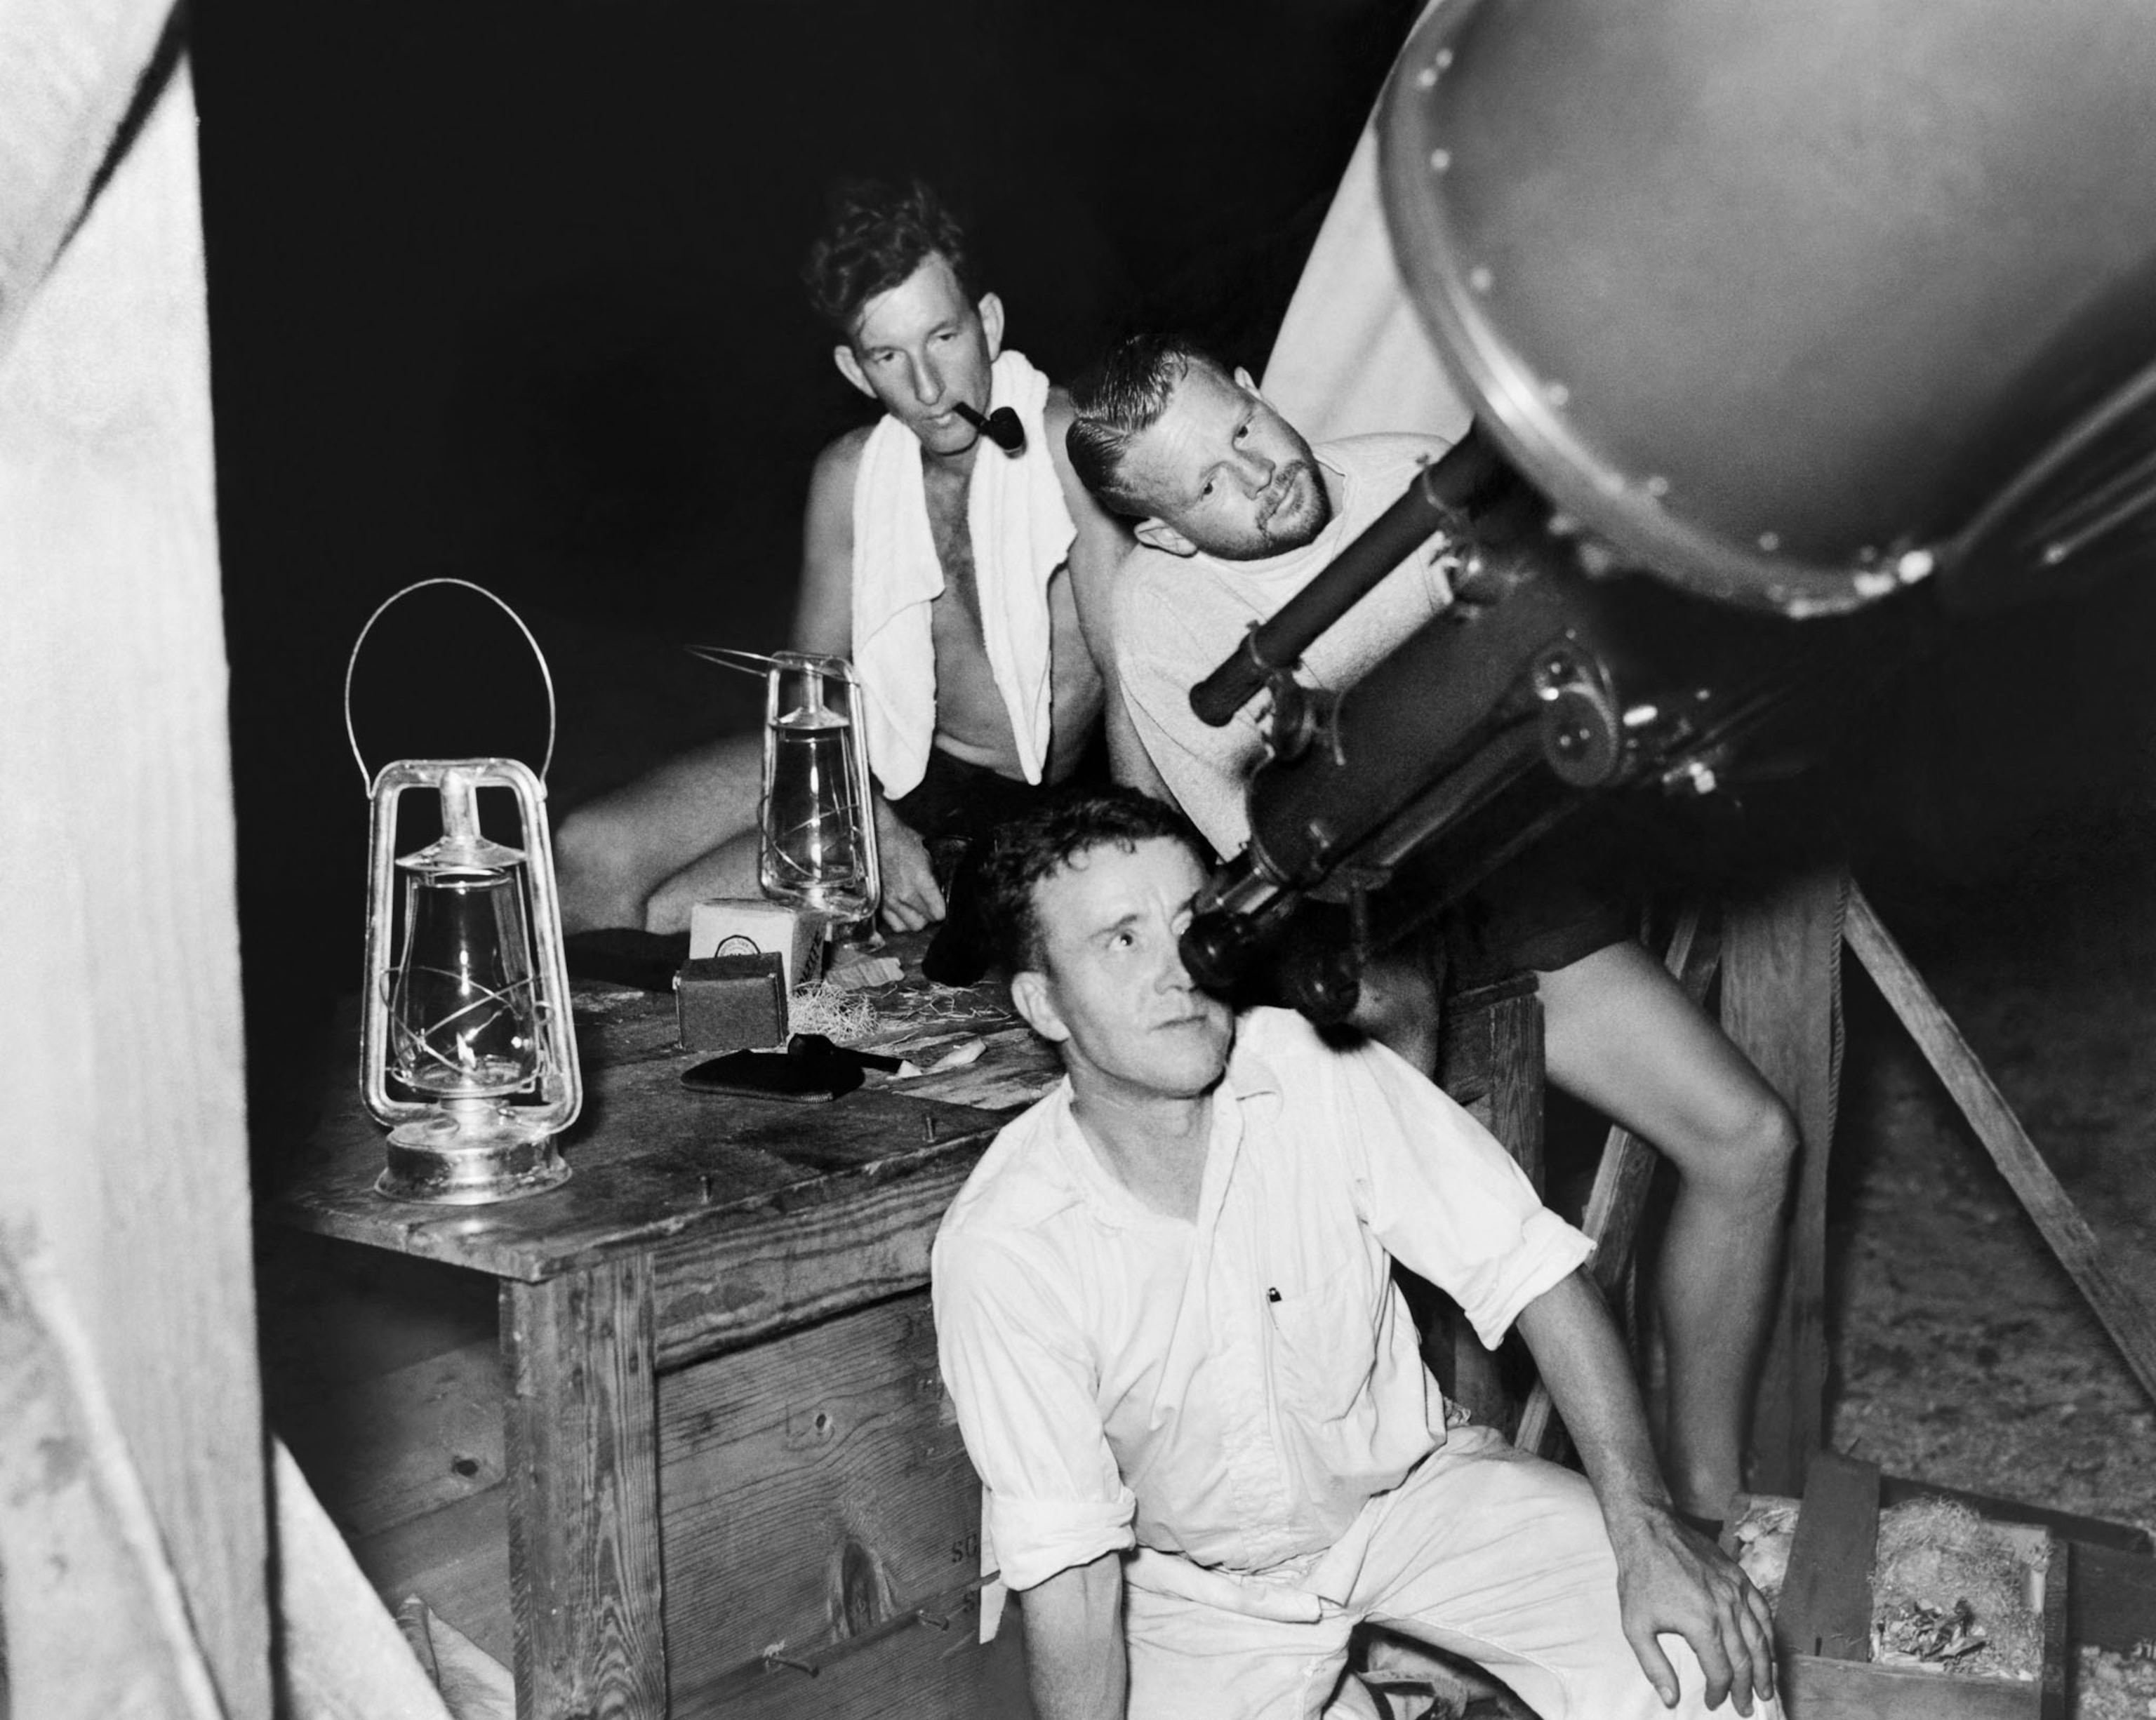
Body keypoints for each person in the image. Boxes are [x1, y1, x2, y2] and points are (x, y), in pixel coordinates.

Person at [1063, 335, 1798, 1528]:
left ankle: (1717, 1506)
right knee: (1420, 1271)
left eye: (1241, 431)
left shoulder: (1416, 478)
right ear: (1165, 530)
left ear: (1253, 391)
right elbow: (1268, 881)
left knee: (1749, 1139)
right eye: (1205, 484)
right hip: (1355, 951)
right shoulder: (1162, 617)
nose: (1256, 477)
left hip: (1513, 885)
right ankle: (1449, 1516)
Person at [932, 787, 1778, 1720]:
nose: (1178, 968)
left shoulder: (1309, 1064)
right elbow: (1079, 1590)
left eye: (1189, 922)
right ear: (1042, 1001)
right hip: (1186, 1595)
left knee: (1702, 1660)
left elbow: (1534, 1272)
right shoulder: (1009, 1245)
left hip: (1413, 1502)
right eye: (1120, 940)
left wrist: (1648, 1526)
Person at [554, 180, 1145, 942]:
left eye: (944, 337)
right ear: (855, 370)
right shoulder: (850, 475)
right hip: (870, 766)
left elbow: (1134, 679)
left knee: (670, 916)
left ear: (989, 324)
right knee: (585, 848)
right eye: (889, 355)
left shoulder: (1064, 442)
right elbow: (806, 690)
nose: (928, 388)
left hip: (998, 801)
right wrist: (872, 822)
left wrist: (1141, 853)